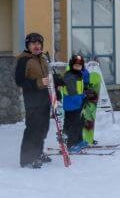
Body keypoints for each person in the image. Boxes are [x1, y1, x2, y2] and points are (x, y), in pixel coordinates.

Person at [14, 33, 53, 169]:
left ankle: (38, 153)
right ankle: (27, 159)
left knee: (43, 129)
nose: (37, 46)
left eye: (39, 44)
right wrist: (38, 82)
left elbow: (48, 78)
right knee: (33, 129)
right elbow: (19, 81)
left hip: (44, 99)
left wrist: (55, 91)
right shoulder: (24, 60)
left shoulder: (42, 58)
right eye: (33, 44)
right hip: (32, 100)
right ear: (28, 46)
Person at [58, 54, 90, 152]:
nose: (78, 67)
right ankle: (71, 145)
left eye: (80, 66)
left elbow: (80, 90)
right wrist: (82, 101)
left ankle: (78, 141)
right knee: (74, 124)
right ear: (72, 65)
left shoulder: (77, 75)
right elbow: (73, 93)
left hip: (76, 104)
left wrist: (84, 97)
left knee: (79, 122)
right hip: (72, 105)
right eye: (76, 65)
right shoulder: (70, 76)